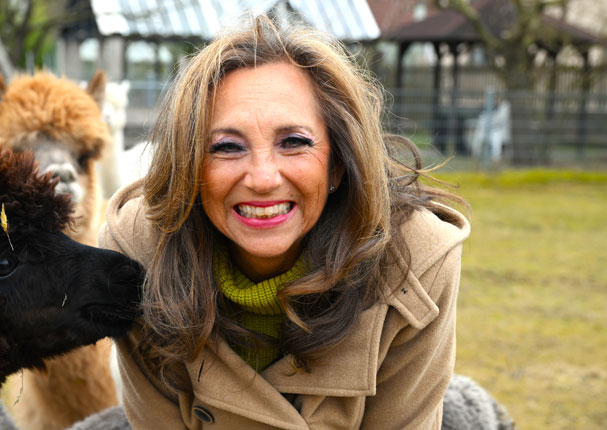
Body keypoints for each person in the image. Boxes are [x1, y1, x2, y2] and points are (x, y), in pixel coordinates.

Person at [98, 14, 470, 429]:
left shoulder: (416, 262)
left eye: (293, 142)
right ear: (190, 168)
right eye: (226, 147)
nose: (262, 179)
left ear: (339, 164)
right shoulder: (136, 255)